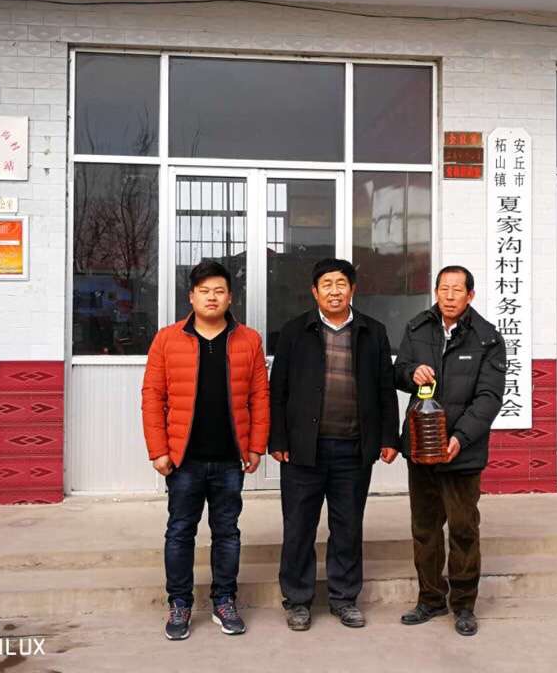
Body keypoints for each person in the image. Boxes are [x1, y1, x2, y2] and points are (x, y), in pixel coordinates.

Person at [141, 259, 270, 641]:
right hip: (184, 461)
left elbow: (259, 397)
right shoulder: (167, 339)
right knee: (180, 532)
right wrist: (158, 450)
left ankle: (224, 601)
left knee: (227, 533)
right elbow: (152, 397)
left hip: (230, 459)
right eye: (204, 291)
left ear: (230, 297)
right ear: (191, 297)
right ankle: (179, 604)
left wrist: (256, 446)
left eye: (219, 291)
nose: (211, 297)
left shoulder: (249, 340)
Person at [269, 258, 400, 632]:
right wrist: (278, 438)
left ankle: (344, 598)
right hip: (303, 450)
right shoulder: (295, 331)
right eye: (326, 284)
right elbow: (278, 390)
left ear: (352, 289)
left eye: (341, 283)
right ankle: (297, 600)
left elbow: (385, 389)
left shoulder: (372, 332)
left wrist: (388, 437)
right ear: (315, 291)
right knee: (299, 527)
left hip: (353, 450)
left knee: (348, 527)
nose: (334, 291)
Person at [394, 265, 506, 637]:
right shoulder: (417, 328)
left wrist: (460, 437)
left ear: (470, 295)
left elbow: (489, 398)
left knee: (462, 529)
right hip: (422, 446)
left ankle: (463, 605)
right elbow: (397, 372)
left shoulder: (487, 338)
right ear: (436, 291)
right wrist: (411, 373)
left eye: (458, 290)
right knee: (425, 528)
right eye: (444, 288)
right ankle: (429, 599)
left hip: (462, 453)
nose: (450, 295)